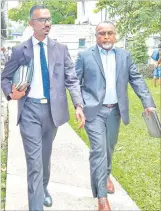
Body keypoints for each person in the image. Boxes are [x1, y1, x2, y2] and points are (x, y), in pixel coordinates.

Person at [1, 5, 85, 211]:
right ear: (31, 24)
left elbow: (72, 79)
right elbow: (4, 77)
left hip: (52, 114)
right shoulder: (20, 50)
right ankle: (36, 206)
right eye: (42, 20)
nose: (47, 23)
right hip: (29, 110)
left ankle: (44, 188)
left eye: (49, 19)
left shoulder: (60, 49)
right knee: (34, 164)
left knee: (44, 158)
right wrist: (12, 94)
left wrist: (78, 104)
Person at [75, 21, 156, 211]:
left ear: (115, 35)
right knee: (98, 150)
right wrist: (79, 105)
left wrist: (148, 103)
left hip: (115, 111)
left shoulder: (124, 56)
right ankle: (101, 198)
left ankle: (106, 173)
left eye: (109, 33)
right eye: (101, 33)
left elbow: (136, 79)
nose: (106, 37)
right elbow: (75, 82)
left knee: (109, 147)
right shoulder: (85, 56)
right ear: (96, 36)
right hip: (93, 111)